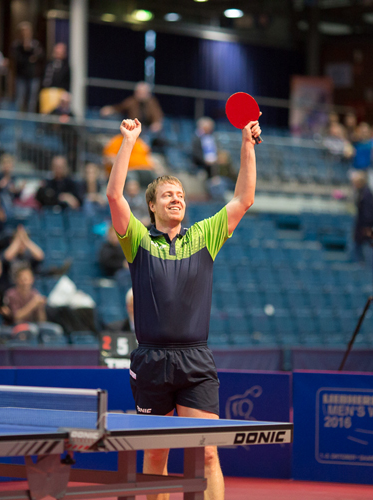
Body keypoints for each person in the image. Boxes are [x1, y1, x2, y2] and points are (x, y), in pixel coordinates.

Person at [107, 116, 260, 500]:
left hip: (195, 360)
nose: (177, 199)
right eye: (167, 195)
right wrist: (128, 142)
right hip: (152, 361)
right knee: (156, 453)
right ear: (153, 206)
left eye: (181, 195)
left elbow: (243, 199)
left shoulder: (204, 236)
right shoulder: (138, 241)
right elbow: (114, 197)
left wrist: (246, 144)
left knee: (208, 454)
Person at [12, 22, 42, 113]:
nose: (25, 34)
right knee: (19, 100)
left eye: (27, 31)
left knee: (32, 101)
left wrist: (30, 50)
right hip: (20, 76)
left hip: (33, 76)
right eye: (23, 32)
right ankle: (18, 124)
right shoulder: (16, 45)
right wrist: (27, 53)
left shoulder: (35, 44)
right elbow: (18, 59)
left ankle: (30, 123)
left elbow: (40, 56)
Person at [351, 170, 373, 265]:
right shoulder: (362, 193)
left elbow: (369, 213)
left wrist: (367, 227)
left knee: (369, 254)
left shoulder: (366, 194)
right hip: (362, 229)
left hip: (367, 229)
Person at [39, 42, 70, 114]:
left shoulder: (66, 67)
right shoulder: (49, 64)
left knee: (56, 113)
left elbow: (67, 82)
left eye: (60, 52)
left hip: (59, 93)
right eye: (56, 52)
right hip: (47, 92)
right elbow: (43, 77)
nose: (57, 54)